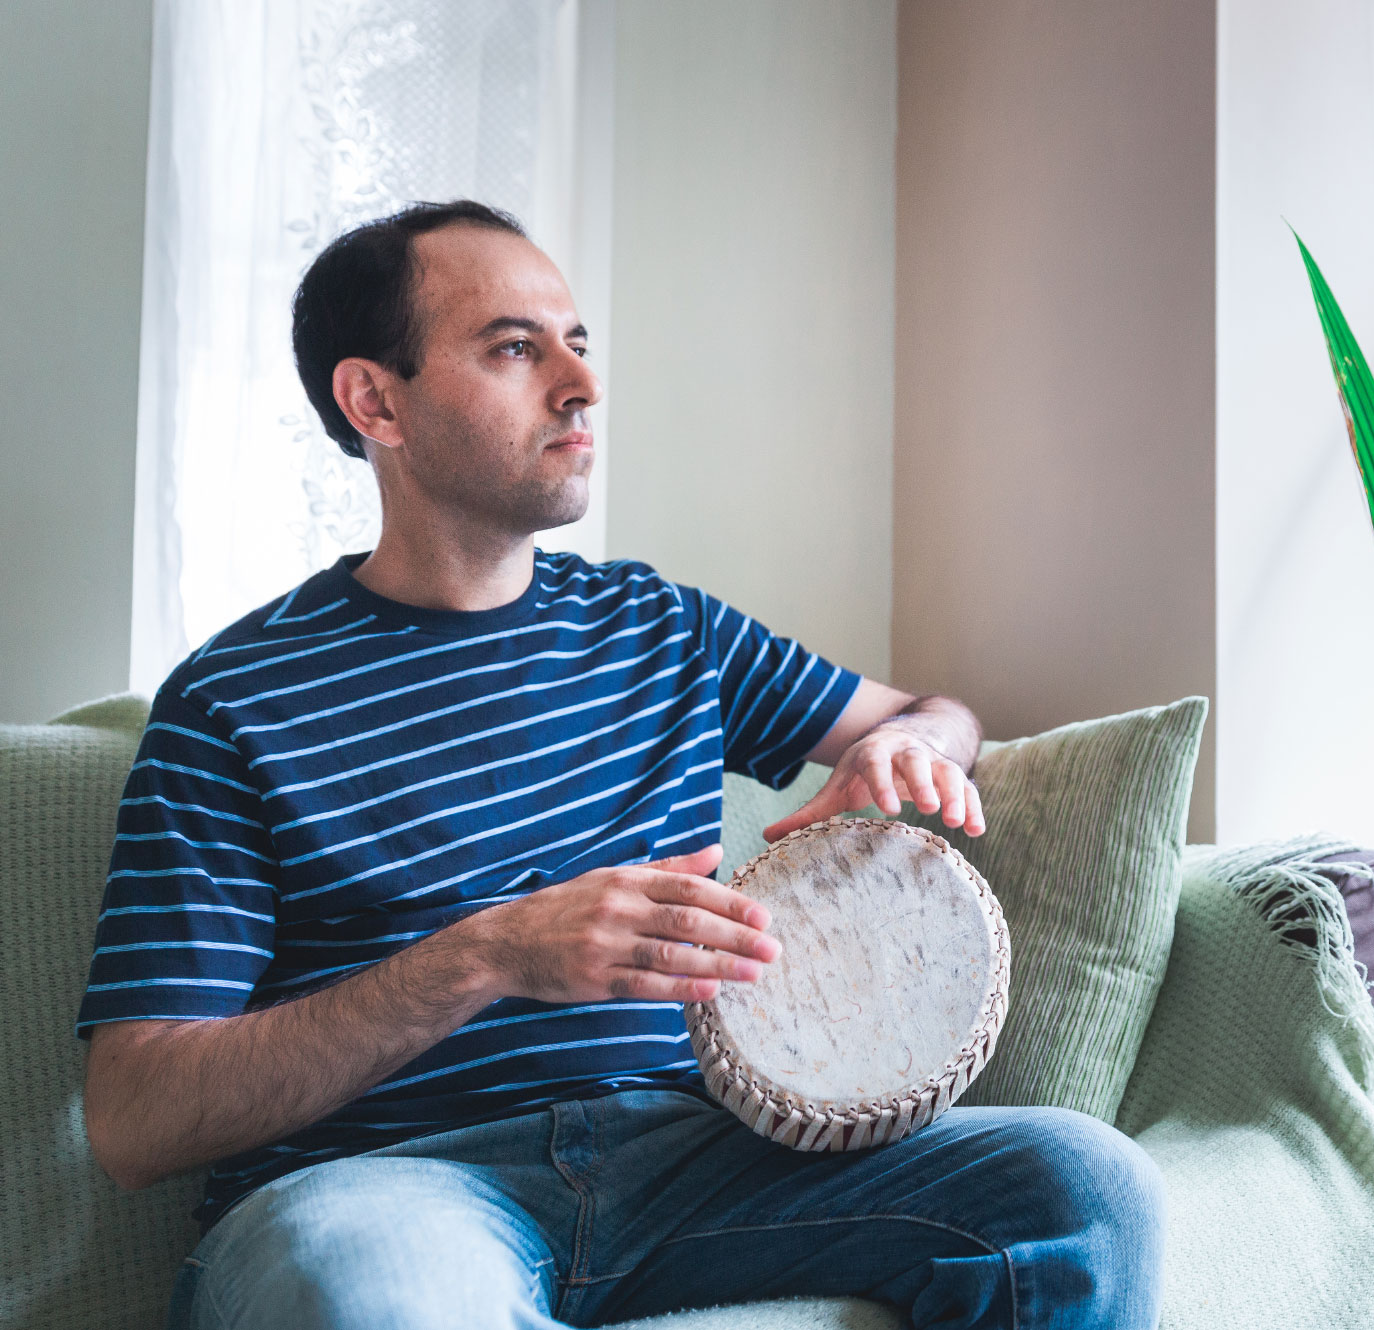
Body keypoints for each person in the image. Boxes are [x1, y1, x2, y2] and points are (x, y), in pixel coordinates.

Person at [77, 200, 1164, 1330]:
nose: (580, 385)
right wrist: (487, 953)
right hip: (387, 1186)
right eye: (514, 347)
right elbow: (135, 1119)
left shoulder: (662, 628)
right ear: (374, 400)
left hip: (690, 1161)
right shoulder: (236, 699)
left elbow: (941, 714)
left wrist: (909, 745)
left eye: (578, 344)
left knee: (1077, 1184)